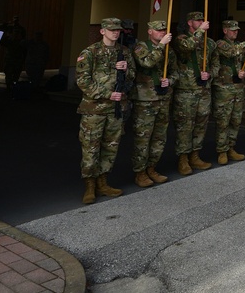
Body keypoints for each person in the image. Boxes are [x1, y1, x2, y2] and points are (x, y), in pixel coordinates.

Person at [76, 17, 136, 204]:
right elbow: (83, 80)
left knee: (111, 147)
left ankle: (103, 182)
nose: (115, 33)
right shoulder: (90, 52)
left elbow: (133, 77)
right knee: (91, 148)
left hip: (116, 109)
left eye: (118, 30)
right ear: (102, 31)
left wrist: (126, 70)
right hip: (94, 109)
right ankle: (90, 186)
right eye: (111, 30)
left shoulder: (124, 52)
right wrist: (106, 94)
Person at [172, 11, 217, 175]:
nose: (201, 22)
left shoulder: (209, 43)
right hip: (186, 90)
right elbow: (187, 47)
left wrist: (210, 73)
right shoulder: (181, 39)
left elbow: (216, 64)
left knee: (200, 125)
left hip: (203, 90)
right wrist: (200, 32)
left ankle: (195, 155)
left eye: (202, 20)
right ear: (190, 23)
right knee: (185, 126)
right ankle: (183, 159)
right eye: (198, 21)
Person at [131, 20, 174, 187]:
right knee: (143, 138)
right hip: (145, 100)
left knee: (159, 137)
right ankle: (139, 172)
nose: (162, 33)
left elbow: (176, 71)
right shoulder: (141, 47)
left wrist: (170, 80)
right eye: (158, 30)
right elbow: (147, 62)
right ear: (150, 32)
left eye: (164, 30)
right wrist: (161, 46)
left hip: (163, 98)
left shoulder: (168, 50)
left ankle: (152, 168)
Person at [214, 20, 245, 165]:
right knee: (223, 121)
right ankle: (221, 150)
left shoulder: (240, 45)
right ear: (225, 30)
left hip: (238, 87)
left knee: (236, 120)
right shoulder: (220, 44)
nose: (235, 32)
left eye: (236, 30)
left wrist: (244, 72)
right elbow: (232, 52)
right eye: (232, 29)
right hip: (224, 88)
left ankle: (231, 148)